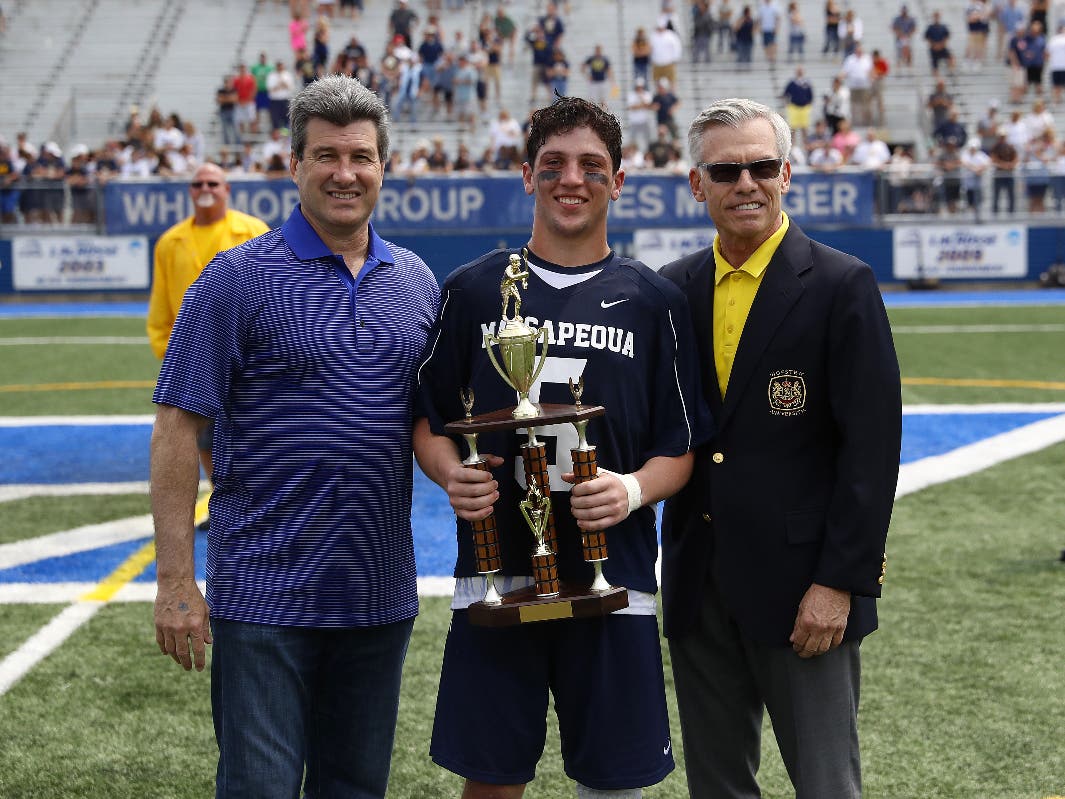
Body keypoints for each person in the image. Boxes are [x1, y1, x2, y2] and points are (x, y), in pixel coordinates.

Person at [413, 95, 712, 799]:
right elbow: (425, 419)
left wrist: (632, 489)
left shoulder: (654, 300)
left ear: (618, 180)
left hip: (616, 580)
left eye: (590, 165)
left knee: (614, 780)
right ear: (526, 175)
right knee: (490, 776)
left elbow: (681, 445)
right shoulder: (476, 289)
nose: (570, 179)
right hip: (497, 575)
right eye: (552, 164)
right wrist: (450, 474)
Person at [150, 75, 439, 799]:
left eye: (361, 156)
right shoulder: (234, 278)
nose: (346, 172)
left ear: (383, 166)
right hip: (264, 597)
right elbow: (177, 426)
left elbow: (435, 421)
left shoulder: (415, 281)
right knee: (259, 788)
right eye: (326, 155)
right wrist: (175, 580)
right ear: (293, 165)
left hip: (377, 593)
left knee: (354, 788)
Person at [659, 97, 902, 799]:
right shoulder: (672, 289)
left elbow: (872, 447)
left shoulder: (839, 283)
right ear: (695, 183)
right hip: (698, 587)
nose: (745, 183)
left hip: (807, 593)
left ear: (786, 174)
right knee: (718, 788)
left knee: (826, 786)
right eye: (725, 169)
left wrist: (839, 583)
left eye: (761, 166)